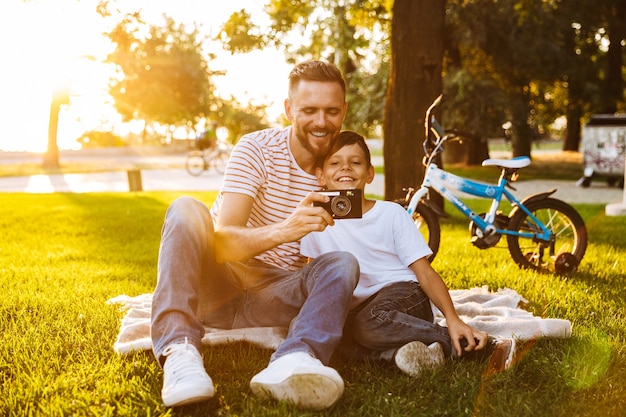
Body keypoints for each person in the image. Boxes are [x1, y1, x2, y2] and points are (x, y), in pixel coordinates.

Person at [150, 61, 360, 411]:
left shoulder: (343, 166)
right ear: (289, 109)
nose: (321, 122)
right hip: (219, 283)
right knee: (186, 208)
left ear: (344, 111)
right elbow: (223, 244)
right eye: (309, 110)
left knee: (342, 262)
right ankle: (179, 352)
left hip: (275, 296)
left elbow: (344, 255)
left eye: (331, 111)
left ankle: (295, 359)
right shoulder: (257, 149)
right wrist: (288, 228)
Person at [301, 131, 513, 377]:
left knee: (368, 325)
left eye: (355, 162)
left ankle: (480, 343)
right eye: (335, 163)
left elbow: (424, 271)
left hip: (405, 295)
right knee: (335, 336)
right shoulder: (314, 220)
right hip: (358, 309)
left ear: (370, 174)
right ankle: (405, 354)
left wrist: (453, 318)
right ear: (320, 175)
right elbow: (315, 275)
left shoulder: (391, 213)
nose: (345, 168)